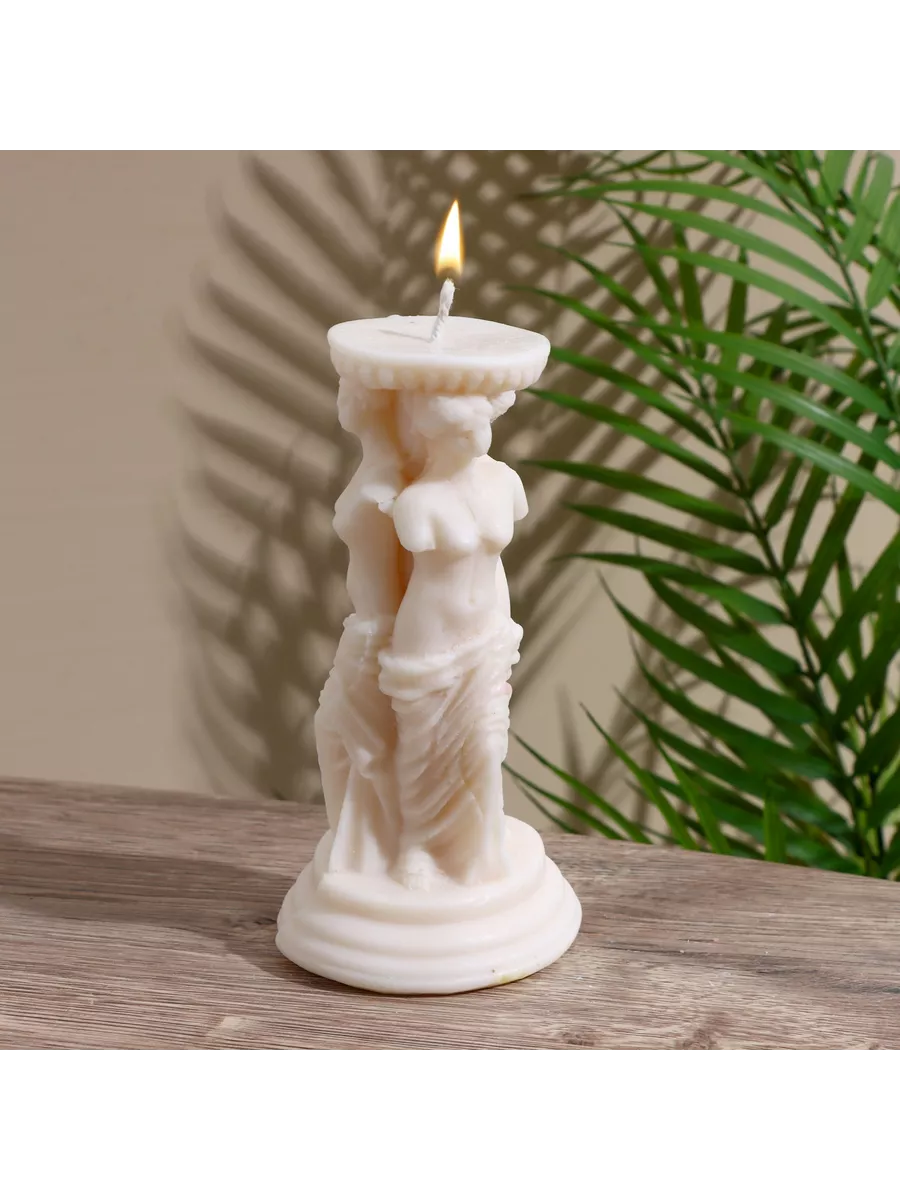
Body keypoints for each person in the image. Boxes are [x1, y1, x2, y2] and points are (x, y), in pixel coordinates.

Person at [379, 390, 527, 888]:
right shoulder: (417, 502)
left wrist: (504, 626)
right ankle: (417, 845)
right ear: (434, 435)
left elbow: (494, 560)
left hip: (486, 632)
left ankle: (478, 847)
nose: (478, 436)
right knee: (424, 749)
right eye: (462, 430)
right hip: (432, 637)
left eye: (481, 424)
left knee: (485, 743)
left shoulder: (505, 481)